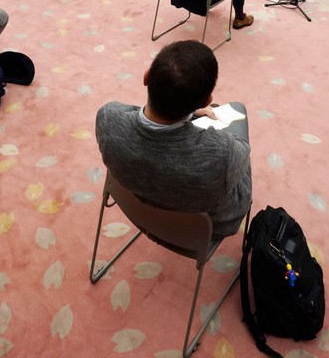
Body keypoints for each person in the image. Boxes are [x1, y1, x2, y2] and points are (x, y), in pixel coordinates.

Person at [95, 39, 252, 239]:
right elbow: (242, 152)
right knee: (238, 112)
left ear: (146, 77)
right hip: (203, 230)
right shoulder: (222, 153)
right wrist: (192, 112)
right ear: (206, 101)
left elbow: (135, 115)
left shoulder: (107, 118)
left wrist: (191, 113)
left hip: (135, 208)